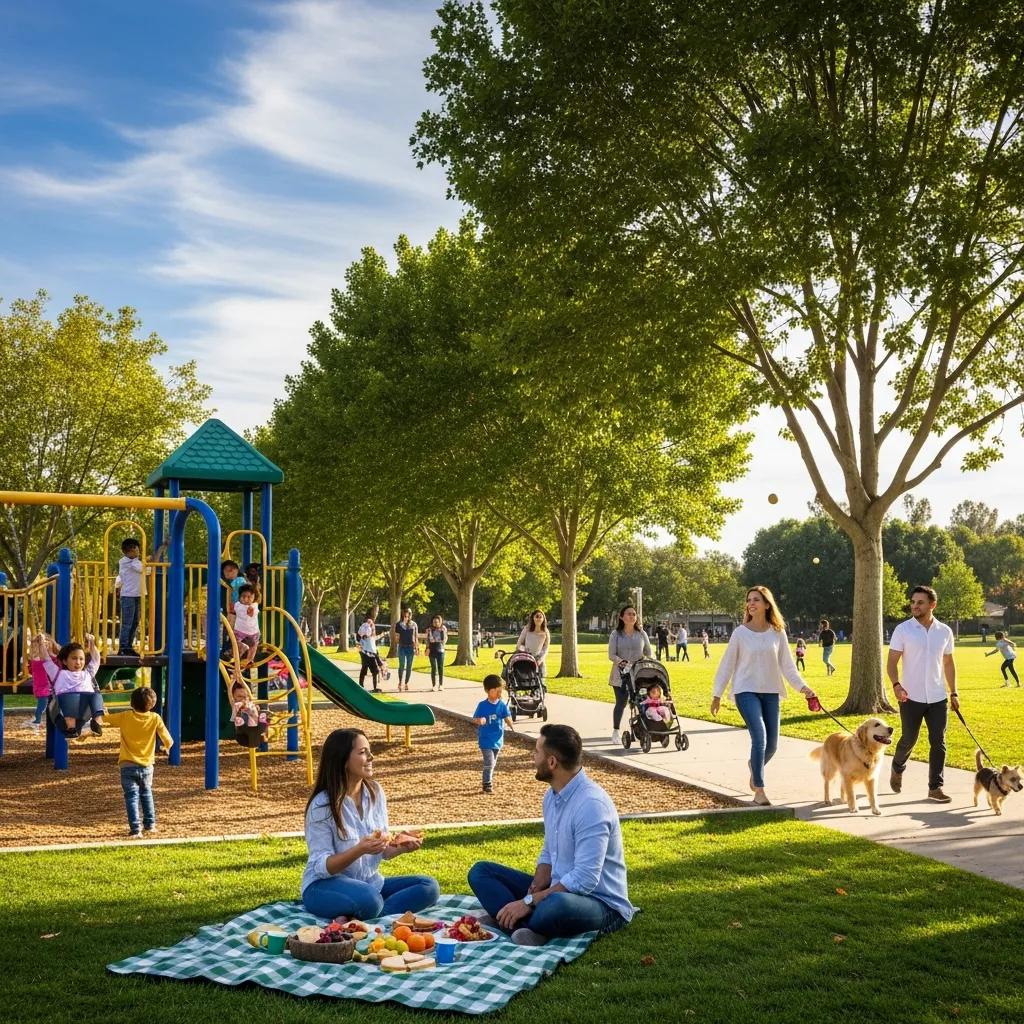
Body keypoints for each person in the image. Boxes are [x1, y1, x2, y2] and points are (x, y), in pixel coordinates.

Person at [467, 723, 636, 946]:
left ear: (552, 762)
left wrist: (529, 901)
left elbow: (585, 879)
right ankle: (518, 926)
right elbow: (550, 850)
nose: (532, 757)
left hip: (600, 903)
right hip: (557, 888)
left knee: (555, 906)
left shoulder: (591, 805)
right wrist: (537, 884)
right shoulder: (552, 796)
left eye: (536, 752)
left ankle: (509, 920)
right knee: (481, 872)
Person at [300, 728, 440, 919]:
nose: (371, 757)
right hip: (322, 886)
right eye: (362, 752)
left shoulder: (375, 792)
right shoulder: (322, 805)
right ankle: (371, 914)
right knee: (371, 899)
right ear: (343, 760)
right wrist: (360, 849)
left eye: (369, 751)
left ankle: (359, 919)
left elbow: (383, 851)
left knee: (429, 887)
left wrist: (400, 846)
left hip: (368, 884)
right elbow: (323, 867)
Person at [711, 587, 817, 807]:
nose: (751, 603)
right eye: (749, 600)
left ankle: (754, 765)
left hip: (771, 692)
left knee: (773, 745)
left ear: (767, 605)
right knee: (759, 738)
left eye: (756, 600)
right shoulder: (740, 633)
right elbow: (727, 664)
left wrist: (804, 688)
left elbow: (788, 667)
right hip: (745, 690)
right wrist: (717, 694)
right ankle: (759, 789)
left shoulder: (777, 632)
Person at [887, 585, 959, 802]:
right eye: (913, 602)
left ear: (932, 605)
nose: (915, 606)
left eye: (920, 602)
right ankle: (898, 766)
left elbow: (948, 663)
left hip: (938, 697)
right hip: (910, 696)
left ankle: (935, 787)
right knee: (909, 739)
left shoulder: (944, 631)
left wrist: (954, 692)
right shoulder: (903, 630)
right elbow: (891, 662)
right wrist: (896, 685)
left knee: (939, 741)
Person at [105, 686, 173, 838]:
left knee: (131, 796)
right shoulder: (155, 718)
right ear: (153, 704)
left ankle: (136, 830)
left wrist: (102, 711)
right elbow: (168, 739)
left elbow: (106, 719)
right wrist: (167, 747)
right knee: (146, 793)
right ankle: (150, 825)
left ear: (131, 703)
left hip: (127, 765)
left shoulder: (125, 716)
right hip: (147, 765)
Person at [44, 633, 105, 739]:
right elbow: (46, 660)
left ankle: (97, 722)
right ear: (64, 661)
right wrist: (41, 646)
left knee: (96, 695)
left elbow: (96, 659)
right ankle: (71, 727)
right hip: (62, 712)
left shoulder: (88, 673)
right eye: (74, 658)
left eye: (81, 659)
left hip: (84, 711)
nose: (78, 662)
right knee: (70, 697)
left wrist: (91, 644)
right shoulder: (57, 674)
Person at [607, 605, 652, 744]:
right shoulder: (616, 634)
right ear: (622, 617)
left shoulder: (642, 633)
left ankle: (644, 729)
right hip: (620, 674)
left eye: (634, 614)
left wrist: (644, 662)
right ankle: (615, 731)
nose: (632, 616)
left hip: (638, 674)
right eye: (629, 614)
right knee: (621, 702)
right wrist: (624, 663)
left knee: (642, 702)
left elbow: (648, 652)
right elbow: (611, 655)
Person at [473, 674, 512, 794]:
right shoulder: (482, 705)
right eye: (497, 691)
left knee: (493, 762)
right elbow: (475, 718)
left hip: (498, 739)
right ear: (488, 691)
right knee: (489, 762)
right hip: (485, 739)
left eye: (501, 691)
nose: (499, 694)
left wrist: (510, 723)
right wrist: (479, 720)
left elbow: (506, 716)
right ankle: (487, 784)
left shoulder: (501, 705)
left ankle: (488, 777)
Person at [116, 538, 152, 656]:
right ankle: (123, 647)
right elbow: (146, 570)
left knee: (135, 622)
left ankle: (128, 646)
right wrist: (150, 560)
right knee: (127, 622)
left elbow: (146, 569)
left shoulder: (135, 561)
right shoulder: (126, 562)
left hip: (136, 595)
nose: (138, 551)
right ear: (130, 551)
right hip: (128, 596)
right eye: (136, 549)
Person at [25, 631, 57, 731]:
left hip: (45, 687)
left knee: (43, 706)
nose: (35, 649)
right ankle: (37, 720)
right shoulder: (35, 659)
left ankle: (37, 720)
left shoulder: (47, 658)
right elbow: (32, 670)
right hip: (41, 686)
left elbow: (55, 662)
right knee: (42, 705)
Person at [231, 679, 269, 745]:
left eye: (245, 697)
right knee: (243, 717)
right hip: (243, 734)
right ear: (234, 697)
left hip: (256, 731)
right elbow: (230, 693)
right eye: (239, 696)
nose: (243, 699)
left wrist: (254, 712)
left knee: (261, 710)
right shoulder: (235, 705)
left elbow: (249, 693)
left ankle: (263, 734)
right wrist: (234, 680)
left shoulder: (251, 704)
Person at [232, 584, 261, 666]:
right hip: (240, 631)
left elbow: (253, 612)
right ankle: (236, 661)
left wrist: (251, 609)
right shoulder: (238, 605)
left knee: (253, 647)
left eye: (249, 597)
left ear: (253, 598)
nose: (245, 599)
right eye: (243, 596)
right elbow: (240, 611)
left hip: (253, 632)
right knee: (236, 644)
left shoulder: (254, 606)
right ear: (239, 597)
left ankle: (249, 660)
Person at [516, 609, 550, 678]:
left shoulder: (546, 631)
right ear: (533, 618)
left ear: (543, 619)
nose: (539, 618)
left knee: (541, 681)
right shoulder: (527, 629)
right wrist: (524, 652)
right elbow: (519, 644)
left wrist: (540, 659)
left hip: (538, 659)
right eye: (537, 616)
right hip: (525, 657)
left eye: (541, 617)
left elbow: (546, 648)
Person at [393, 608, 419, 692]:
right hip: (402, 647)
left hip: (411, 647)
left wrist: (417, 648)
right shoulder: (399, 624)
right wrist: (398, 639)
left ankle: (406, 683)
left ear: (410, 615)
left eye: (408, 614)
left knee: (409, 666)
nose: (406, 616)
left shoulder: (414, 624)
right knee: (401, 665)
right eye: (405, 615)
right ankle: (400, 682)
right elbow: (397, 637)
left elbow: (416, 637)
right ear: (403, 614)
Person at [357, 611, 382, 692]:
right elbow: (359, 638)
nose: (370, 623)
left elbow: (373, 647)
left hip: (370, 652)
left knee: (375, 670)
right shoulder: (364, 627)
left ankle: (374, 687)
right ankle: (361, 685)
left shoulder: (371, 630)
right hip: (365, 652)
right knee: (364, 668)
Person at [425, 614, 447, 690]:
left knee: (440, 667)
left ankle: (441, 685)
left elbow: (445, 638)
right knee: (433, 667)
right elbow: (427, 640)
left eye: (437, 622)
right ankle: (434, 685)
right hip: (432, 649)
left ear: (440, 622)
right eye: (434, 622)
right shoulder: (429, 629)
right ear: (432, 622)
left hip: (440, 649)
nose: (436, 623)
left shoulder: (443, 628)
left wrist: (442, 644)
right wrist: (427, 648)